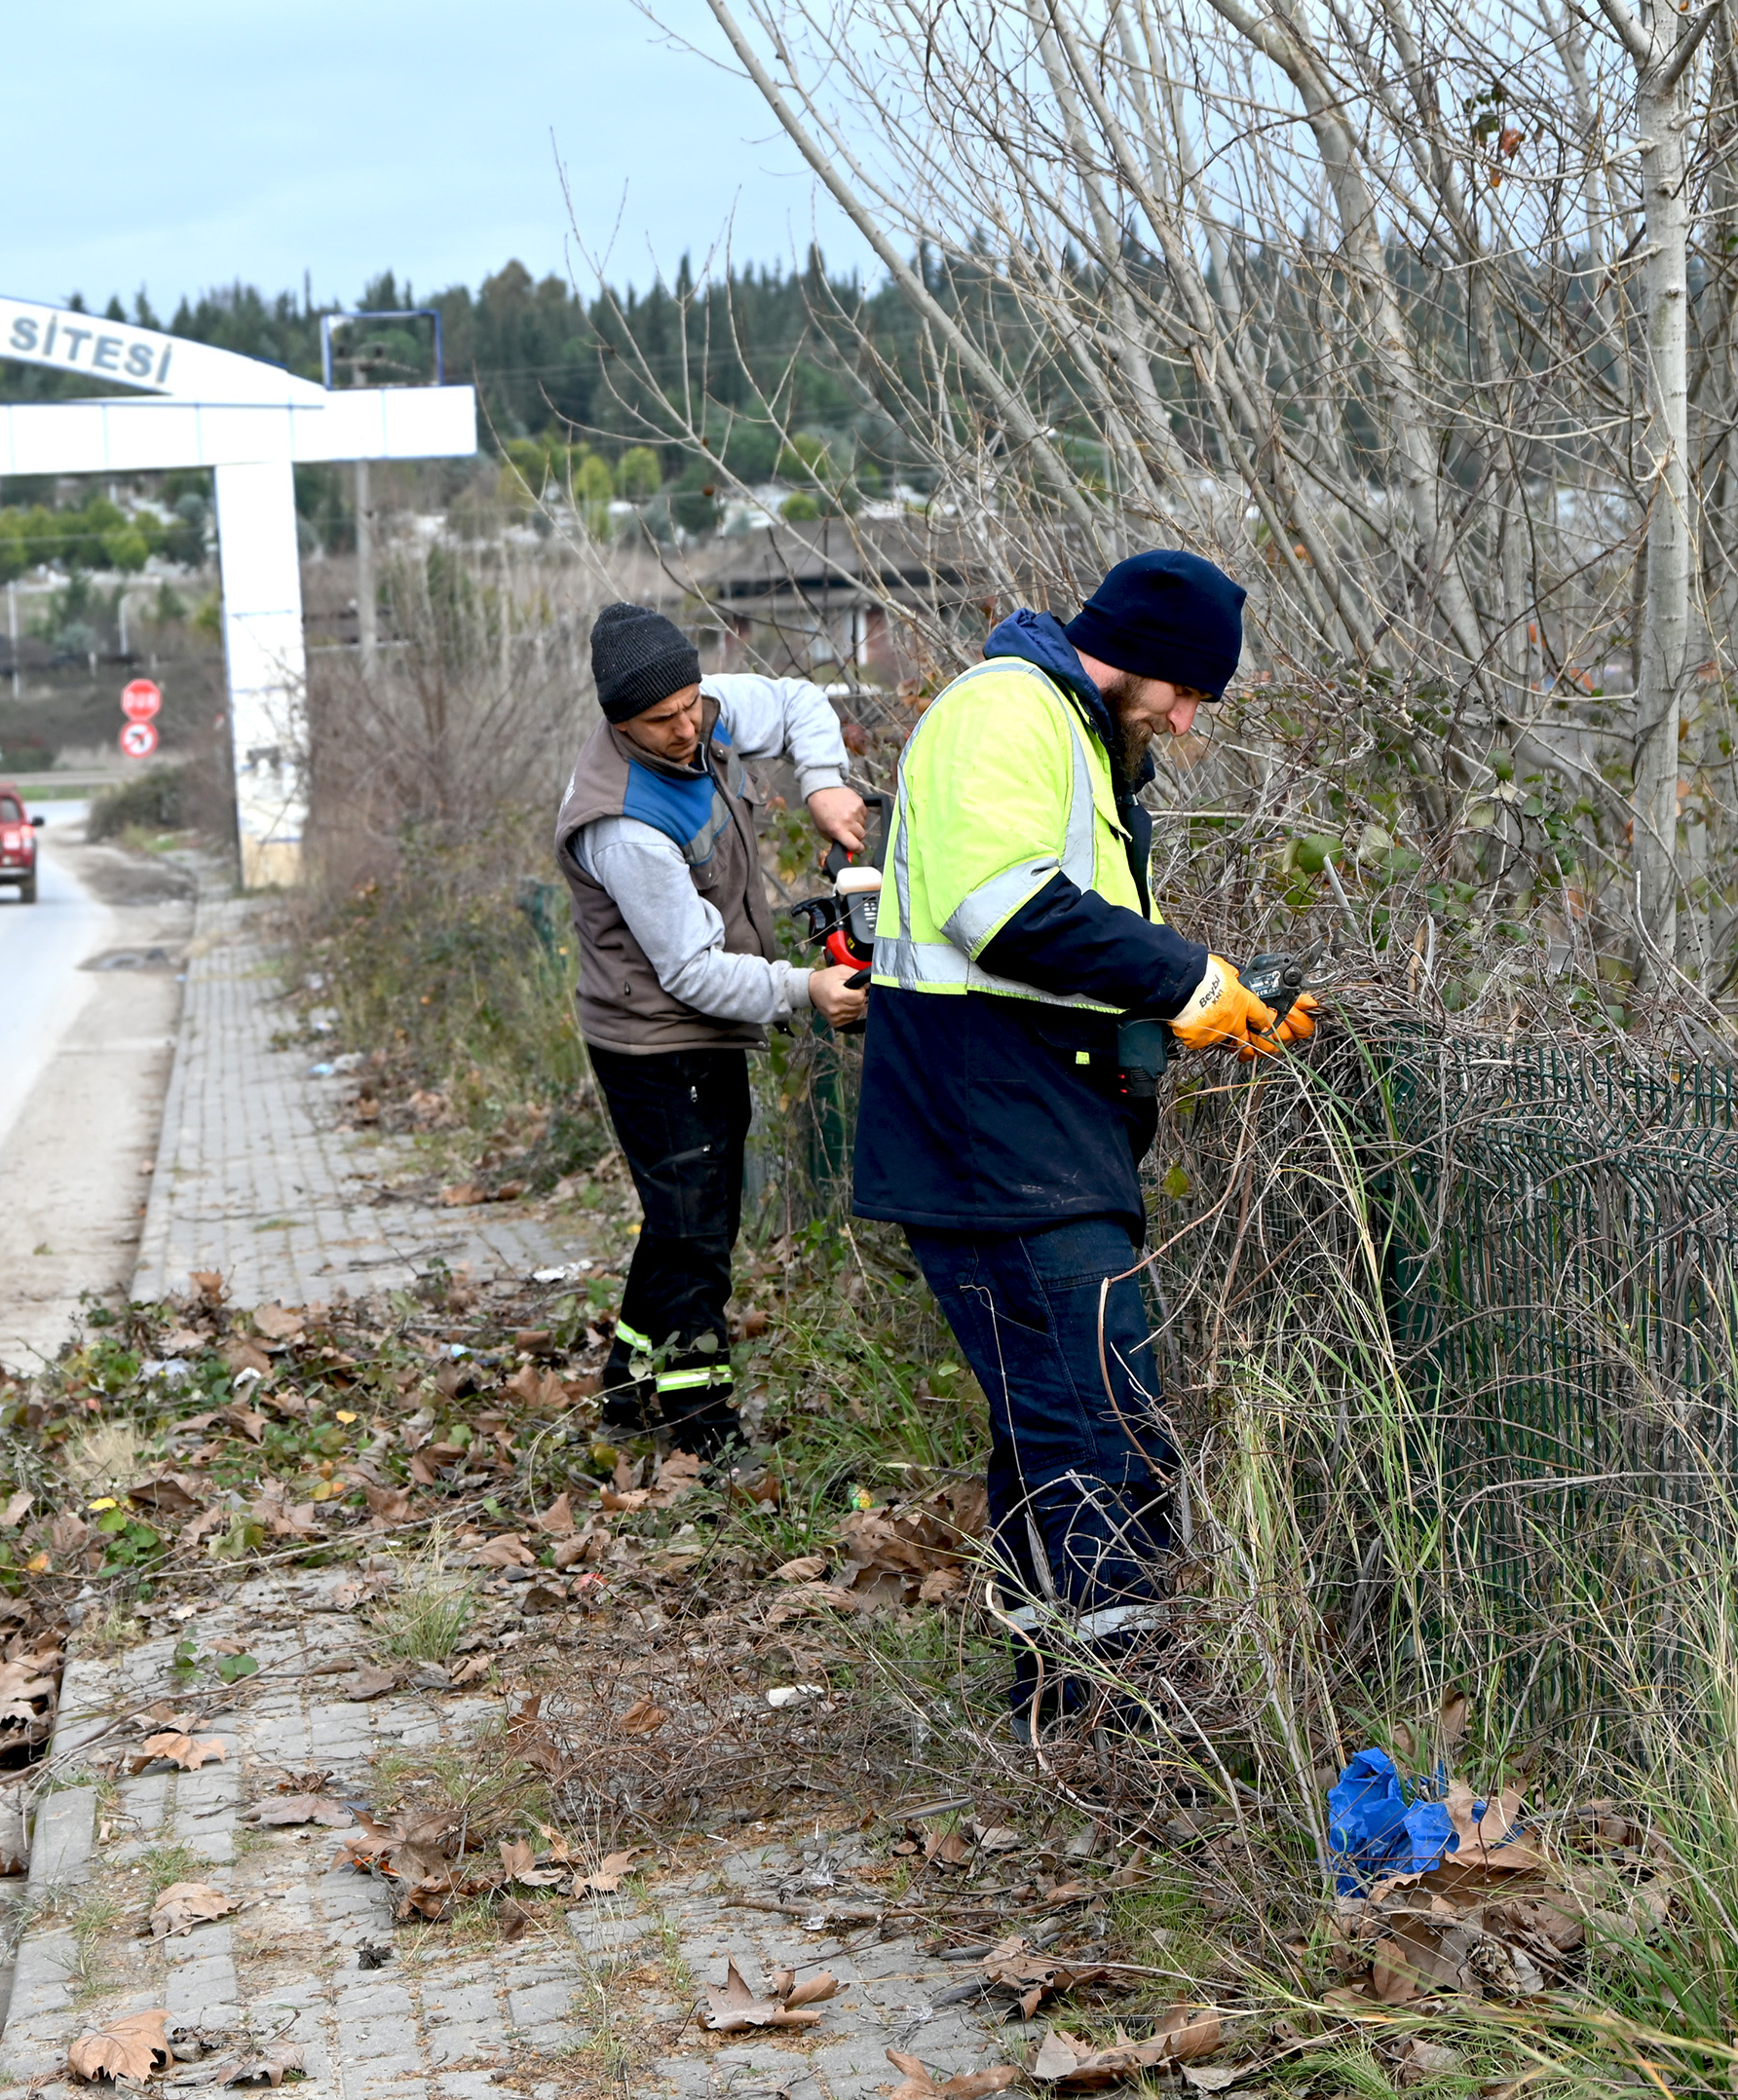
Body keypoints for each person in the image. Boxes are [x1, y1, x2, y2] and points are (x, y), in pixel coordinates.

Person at [850, 549, 1318, 1734]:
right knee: (1106, 1432)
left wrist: (1210, 1003)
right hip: (998, 1144)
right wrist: (1186, 977)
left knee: (1057, 1432)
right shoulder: (1005, 712)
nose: (1186, 715)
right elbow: (1005, 912)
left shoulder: (1067, 729)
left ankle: (1060, 1712)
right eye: (1185, 690)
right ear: (1145, 659)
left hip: (1025, 1138)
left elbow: (1072, 946)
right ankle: (1121, 1726)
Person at [557, 602, 870, 1453]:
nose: (688, 726)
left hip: (702, 1027)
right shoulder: (623, 823)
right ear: (618, 721)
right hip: (650, 1041)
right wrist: (807, 988)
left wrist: (823, 782)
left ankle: (626, 1385)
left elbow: (802, 699)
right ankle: (703, 1427)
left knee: (683, 1214)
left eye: (693, 704)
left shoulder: (699, 707)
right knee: (696, 1232)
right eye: (662, 720)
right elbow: (691, 971)